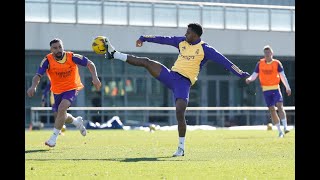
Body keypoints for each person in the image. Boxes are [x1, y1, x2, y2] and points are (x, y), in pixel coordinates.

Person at [101, 23, 250, 156]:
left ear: (196, 35)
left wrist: (242, 74)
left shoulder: (205, 49)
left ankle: (181, 147)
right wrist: (143, 38)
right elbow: (163, 39)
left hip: (183, 84)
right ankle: (115, 54)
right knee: (146, 62)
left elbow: (226, 62)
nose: (185, 35)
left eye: (188, 33)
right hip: (170, 76)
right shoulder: (181, 42)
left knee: (179, 112)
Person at [27, 38, 102, 147]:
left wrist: (95, 77)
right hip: (57, 90)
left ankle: (53, 139)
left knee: (62, 108)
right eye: (55, 48)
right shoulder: (47, 60)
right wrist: (33, 86)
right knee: (61, 116)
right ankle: (76, 122)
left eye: (60, 47)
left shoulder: (72, 57)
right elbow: (38, 75)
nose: (58, 50)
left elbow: (90, 64)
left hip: (71, 88)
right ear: (51, 50)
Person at [245, 45, 291, 138]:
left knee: (279, 106)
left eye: (268, 52)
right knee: (272, 110)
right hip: (266, 90)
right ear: (264, 54)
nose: (267, 54)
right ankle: (279, 131)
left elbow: (283, 76)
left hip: (275, 88)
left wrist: (287, 87)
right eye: (265, 53)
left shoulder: (277, 63)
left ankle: (285, 127)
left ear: (272, 53)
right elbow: (254, 75)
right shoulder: (260, 64)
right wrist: (249, 79)